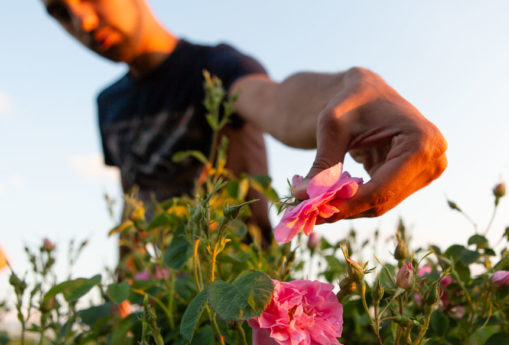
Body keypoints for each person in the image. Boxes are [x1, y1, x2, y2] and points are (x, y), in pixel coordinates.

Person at [40, 0, 447, 241]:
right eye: (60, 12)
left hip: (240, 287)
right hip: (166, 298)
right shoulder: (108, 104)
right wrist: (123, 291)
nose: (83, 23)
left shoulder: (217, 67)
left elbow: (280, 102)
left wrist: (346, 92)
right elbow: (133, 202)